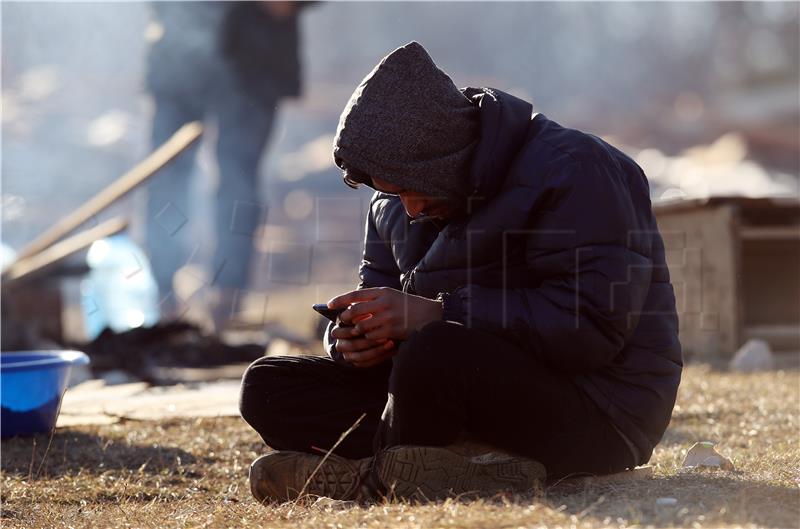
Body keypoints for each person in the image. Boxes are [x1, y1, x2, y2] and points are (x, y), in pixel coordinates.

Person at [239, 41, 682, 503]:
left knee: (436, 348)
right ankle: (458, 466)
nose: (408, 209)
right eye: (390, 191)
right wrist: (354, 343)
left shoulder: (577, 169)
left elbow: (593, 327)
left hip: (598, 411)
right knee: (267, 385)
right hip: (442, 390)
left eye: (410, 188)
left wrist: (436, 314)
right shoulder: (392, 200)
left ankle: (375, 476)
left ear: (441, 157)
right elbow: (381, 298)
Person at [144, 1, 306, 327]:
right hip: (178, 53)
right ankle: (163, 294)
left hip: (255, 53)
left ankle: (227, 295)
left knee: (238, 179)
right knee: (167, 176)